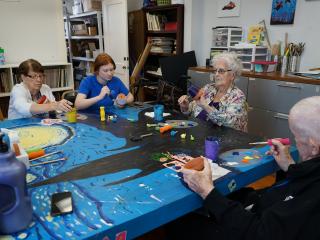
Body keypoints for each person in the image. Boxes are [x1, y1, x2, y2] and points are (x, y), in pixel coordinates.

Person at [175, 96, 320, 240]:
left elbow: (258, 233)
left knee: (181, 223)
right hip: (262, 204)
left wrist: (207, 191)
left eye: (296, 137)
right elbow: (304, 180)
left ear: (314, 147)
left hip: (253, 228)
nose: (294, 140)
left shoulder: (311, 200)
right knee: (228, 195)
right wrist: (290, 167)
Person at [178, 52, 247, 132]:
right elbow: (192, 110)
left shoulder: (238, 96)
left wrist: (206, 106)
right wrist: (185, 107)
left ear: (232, 75)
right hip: (199, 136)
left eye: (221, 71)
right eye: (215, 71)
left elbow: (230, 122)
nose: (216, 74)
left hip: (225, 141)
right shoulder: (209, 88)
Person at [8, 59, 72, 119]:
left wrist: (61, 105)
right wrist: (53, 106)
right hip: (17, 127)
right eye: (34, 76)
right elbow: (23, 108)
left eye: (41, 76)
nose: (39, 80)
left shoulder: (45, 88)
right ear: (23, 77)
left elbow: (55, 110)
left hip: (39, 125)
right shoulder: (17, 90)